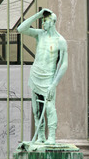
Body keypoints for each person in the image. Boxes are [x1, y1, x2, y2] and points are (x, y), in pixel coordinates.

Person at [17, 8, 68, 145]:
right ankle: (41, 136)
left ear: (52, 22)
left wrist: (54, 84)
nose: (43, 24)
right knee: (36, 109)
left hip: (48, 77)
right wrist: (38, 14)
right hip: (35, 74)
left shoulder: (60, 41)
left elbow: (63, 64)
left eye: (44, 21)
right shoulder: (40, 35)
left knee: (50, 107)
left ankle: (51, 136)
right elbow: (21, 29)